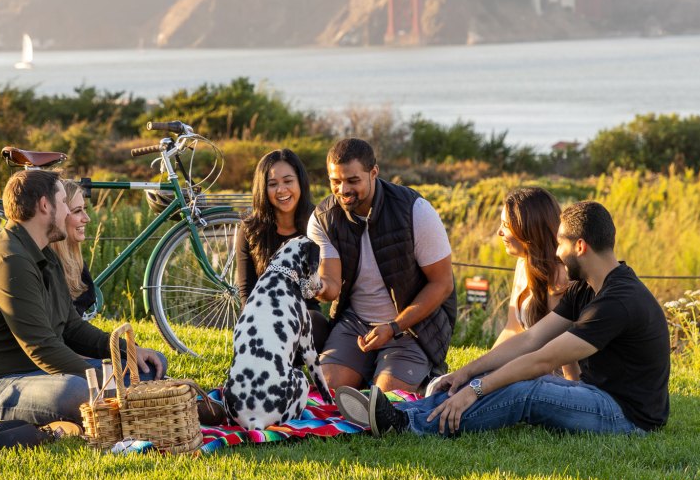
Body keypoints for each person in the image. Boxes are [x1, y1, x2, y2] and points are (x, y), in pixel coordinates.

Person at [336, 201, 670, 437]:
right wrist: (467, 374)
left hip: (625, 416)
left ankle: (411, 428)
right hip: (598, 393)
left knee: (528, 390)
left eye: (560, 244)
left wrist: (477, 390)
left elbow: (543, 359)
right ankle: (397, 415)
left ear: (580, 246)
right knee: (491, 377)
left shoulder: (618, 300)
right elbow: (529, 339)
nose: (556, 253)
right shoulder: (587, 287)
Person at [0, 169, 167, 426]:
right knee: (75, 391)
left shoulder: (43, 253)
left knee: (149, 365)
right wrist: (104, 380)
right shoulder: (10, 260)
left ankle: (119, 398)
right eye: (63, 204)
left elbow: (72, 328)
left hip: (34, 375)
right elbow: (42, 347)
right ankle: (117, 401)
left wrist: (125, 351)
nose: (67, 212)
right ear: (44, 205)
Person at [308, 137, 456, 393]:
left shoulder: (415, 210)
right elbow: (331, 287)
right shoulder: (323, 218)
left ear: (373, 172)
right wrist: (316, 285)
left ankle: (416, 376)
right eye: (335, 181)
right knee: (328, 392)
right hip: (355, 324)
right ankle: (372, 369)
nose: (343, 190)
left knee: (384, 401)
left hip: (411, 328)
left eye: (353, 180)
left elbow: (442, 284)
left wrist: (394, 327)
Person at [235, 148, 330, 351]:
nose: (281, 190)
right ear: (263, 189)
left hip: (307, 319)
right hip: (266, 321)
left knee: (312, 321)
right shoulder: (251, 229)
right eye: (273, 184)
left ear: (300, 183)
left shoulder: (317, 223)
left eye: (288, 181)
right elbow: (246, 293)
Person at [493, 187, 578, 380]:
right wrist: (478, 371)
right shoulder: (523, 264)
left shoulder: (560, 278)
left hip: (549, 379)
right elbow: (512, 330)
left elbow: (565, 359)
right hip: (526, 371)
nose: (499, 232)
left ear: (529, 229)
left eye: (505, 225)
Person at [49, 179, 96, 316]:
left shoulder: (77, 266)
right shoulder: (49, 271)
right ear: (59, 214)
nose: (87, 218)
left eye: (84, 209)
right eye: (77, 211)